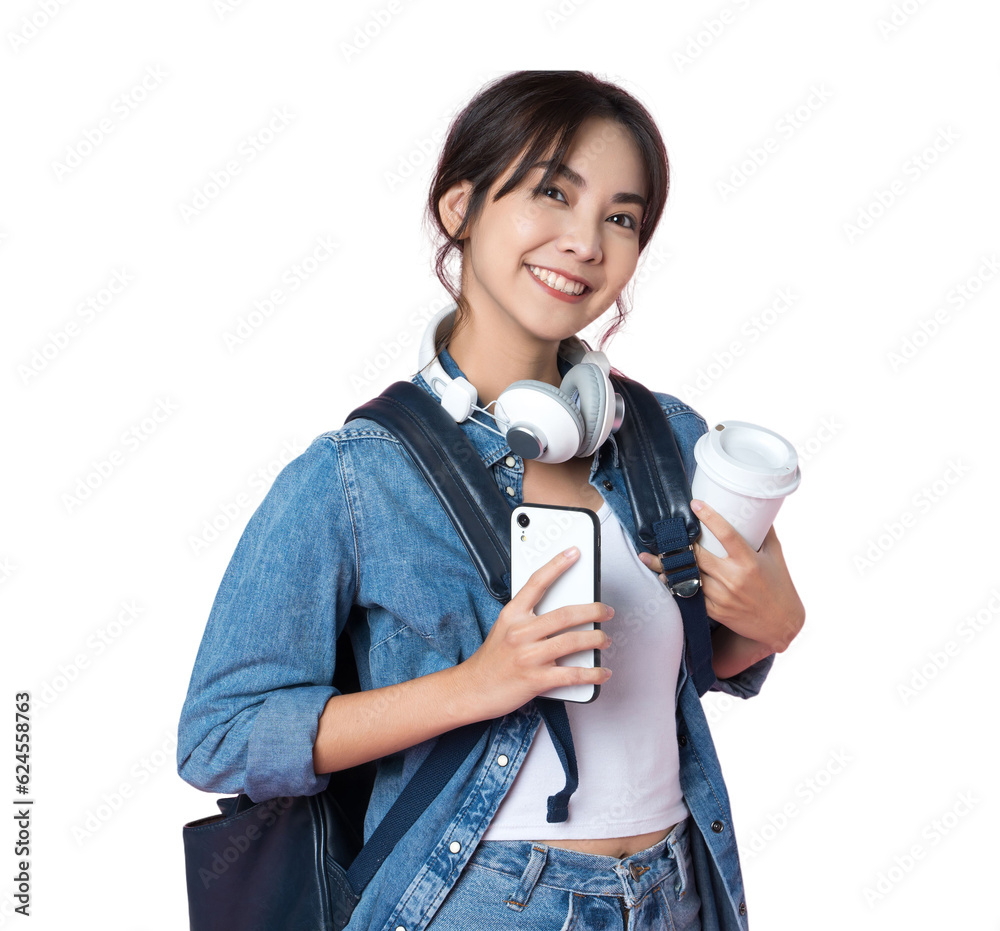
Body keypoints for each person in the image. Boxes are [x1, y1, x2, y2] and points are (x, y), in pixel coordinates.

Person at [176, 70, 805, 931]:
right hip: (480, 901)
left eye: (620, 217)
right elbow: (222, 735)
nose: (586, 241)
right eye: (553, 193)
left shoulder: (670, 437)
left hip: (676, 890)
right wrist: (477, 684)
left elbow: (694, 666)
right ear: (459, 208)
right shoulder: (357, 475)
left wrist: (769, 626)